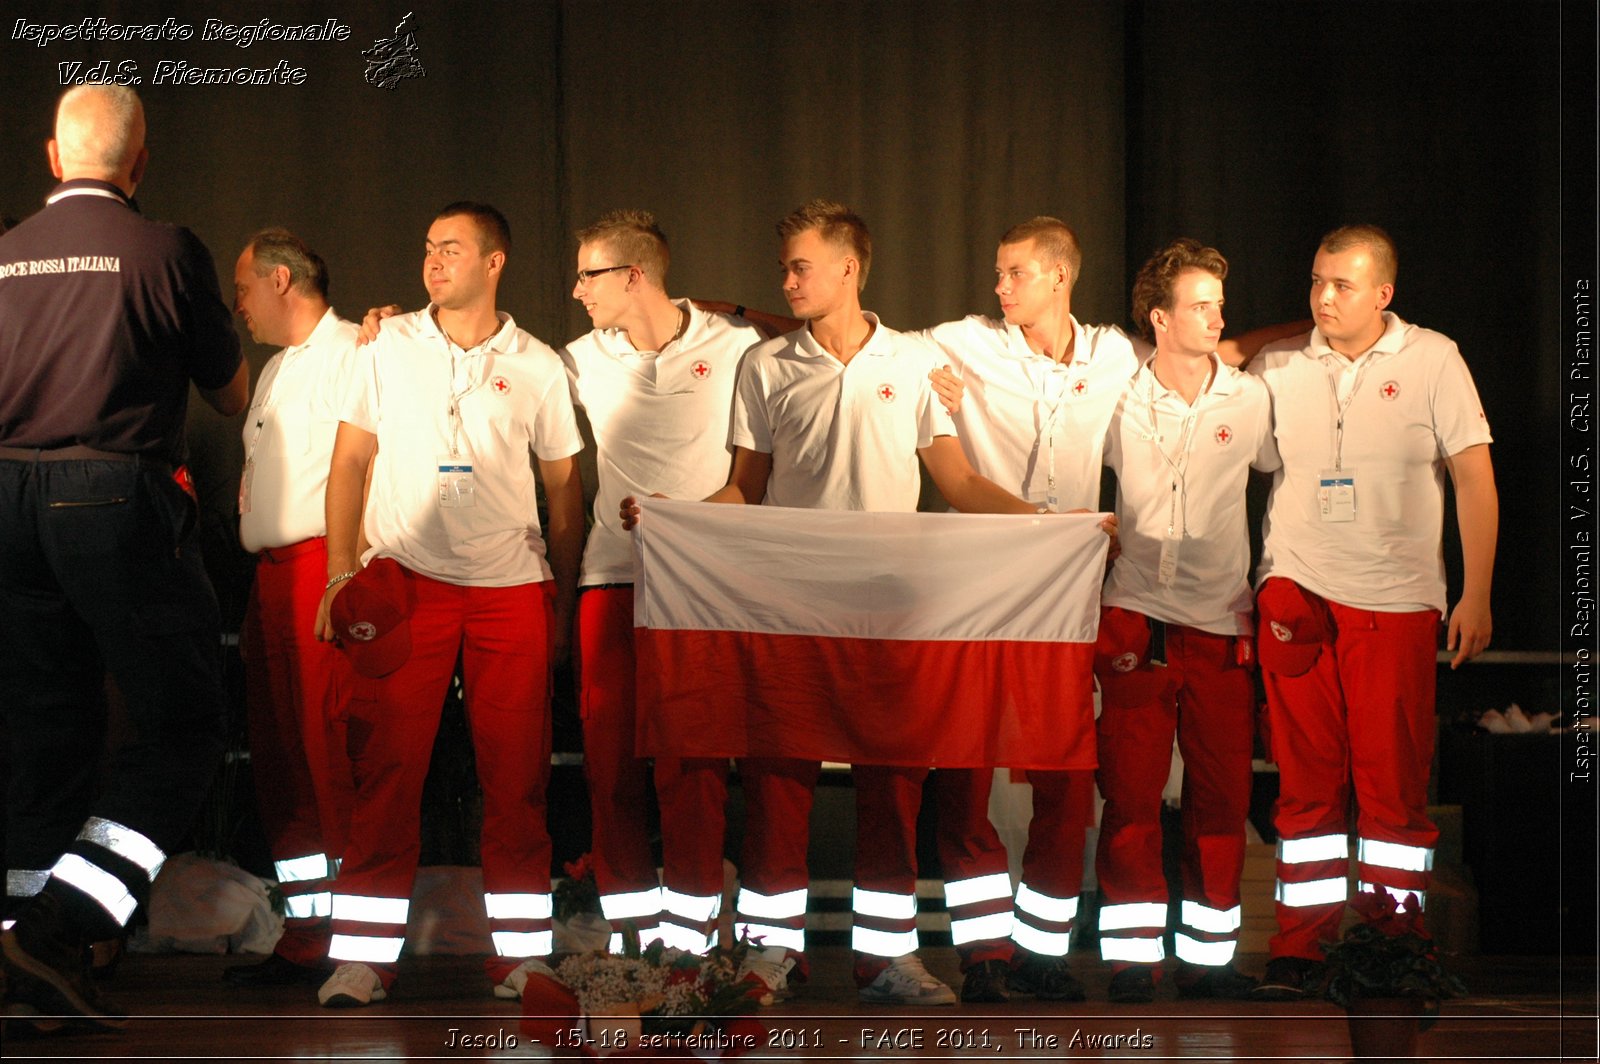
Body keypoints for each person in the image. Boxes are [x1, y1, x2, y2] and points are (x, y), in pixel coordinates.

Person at [625, 199, 1058, 1008]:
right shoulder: (764, 367)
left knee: (892, 787)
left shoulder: (914, 357)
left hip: (890, 608)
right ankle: (767, 958)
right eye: (784, 266)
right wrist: (671, 518)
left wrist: (1049, 527)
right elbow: (744, 490)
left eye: (800, 265)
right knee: (778, 785)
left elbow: (956, 482)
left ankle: (886, 960)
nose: (785, 279)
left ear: (849, 268)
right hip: (789, 608)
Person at [0, 84, 247, 1028]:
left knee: (42, 734)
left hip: (6, 499)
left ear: (53, 158)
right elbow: (228, 395)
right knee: (184, 729)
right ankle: (61, 928)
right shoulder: (164, 248)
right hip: (112, 494)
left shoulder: (6, 254)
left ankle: (22, 955)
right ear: (139, 163)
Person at [313, 202, 585, 1008]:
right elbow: (351, 459)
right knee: (387, 774)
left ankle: (522, 960)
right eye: (428, 247)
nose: (434, 261)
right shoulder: (385, 343)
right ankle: (361, 959)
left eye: (452, 249)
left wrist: (560, 603)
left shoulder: (538, 363)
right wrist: (337, 573)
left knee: (516, 781)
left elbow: (565, 492)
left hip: (509, 591)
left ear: (494, 261)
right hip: (407, 583)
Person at [1250, 224, 1497, 998]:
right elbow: (1222, 376)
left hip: (1393, 601)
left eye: (1343, 285)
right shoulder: (1281, 362)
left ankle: (1397, 944)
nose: (1324, 297)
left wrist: (1476, 591)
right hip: (1297, 587)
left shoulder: (1433, 358)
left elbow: (1474, 479)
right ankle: (1303, 945)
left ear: (1384, 294)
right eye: (1316, 282)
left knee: (1390, 787)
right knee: (1306, 784)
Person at [559, 210, 765, 955]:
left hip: (702, 591)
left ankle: (694, 946)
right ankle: (629, 943)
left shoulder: (736, 346)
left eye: (589, 272)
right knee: (610, 770)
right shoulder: (577, 358)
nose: (577, 288)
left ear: (634, 275)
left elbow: (816, 340)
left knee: (695, 769)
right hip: (610, 582)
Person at [1092, 239, 1275, 1003]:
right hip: (1135, 617)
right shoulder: (1117, 396)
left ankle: (1208, 960)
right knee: (1131, 799)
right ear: (1158, 319)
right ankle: (1134, 961)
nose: (1217, 317)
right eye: (1200, 305)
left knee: (1221, 798)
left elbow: (1284, 479)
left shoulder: (1252, 398)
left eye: (1219, 306)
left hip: (1220, 624)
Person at [223, 228, 361, 988]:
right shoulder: (274, 369)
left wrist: (344, 575)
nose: (237, 304)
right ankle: (309, 931)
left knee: (326, 750)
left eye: (244, 287)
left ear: (280, 280)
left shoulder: (353, 353)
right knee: (279, 761)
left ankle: (355, 940)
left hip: (321, 567)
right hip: (272, 575)